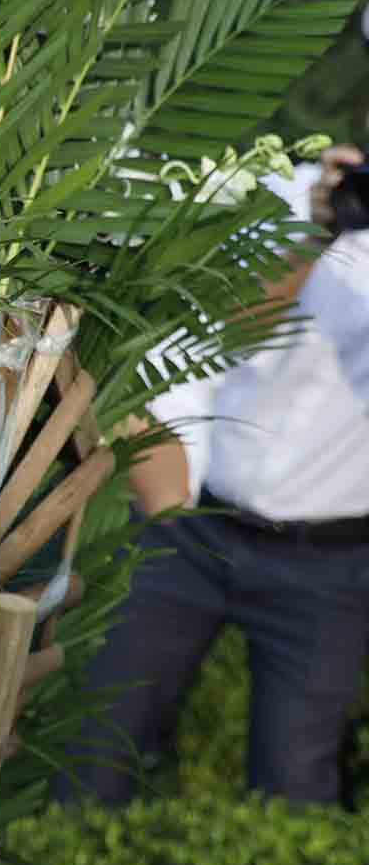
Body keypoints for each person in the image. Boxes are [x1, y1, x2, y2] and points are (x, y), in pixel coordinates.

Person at [58, 142, 369, 806]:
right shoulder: (287, 194)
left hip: (332, 563)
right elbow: (224, 335)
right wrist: (311, 234)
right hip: (193, 531)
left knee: (296, 779)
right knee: (97, 744)